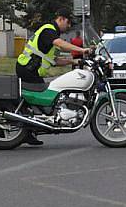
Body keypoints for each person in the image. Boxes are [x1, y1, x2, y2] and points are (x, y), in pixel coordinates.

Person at [15, 8, 92, 146]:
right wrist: (81, 50)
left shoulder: (52, 33)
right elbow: (60, 45)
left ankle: (27, 133)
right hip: (27, 69)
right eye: (68, 22)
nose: (69, 27)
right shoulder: (49, 30)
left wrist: (74, 61)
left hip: (31, 70)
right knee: (44, 103)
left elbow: (54, 60)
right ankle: (31, 130)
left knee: (37, 103)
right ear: (61, 19)